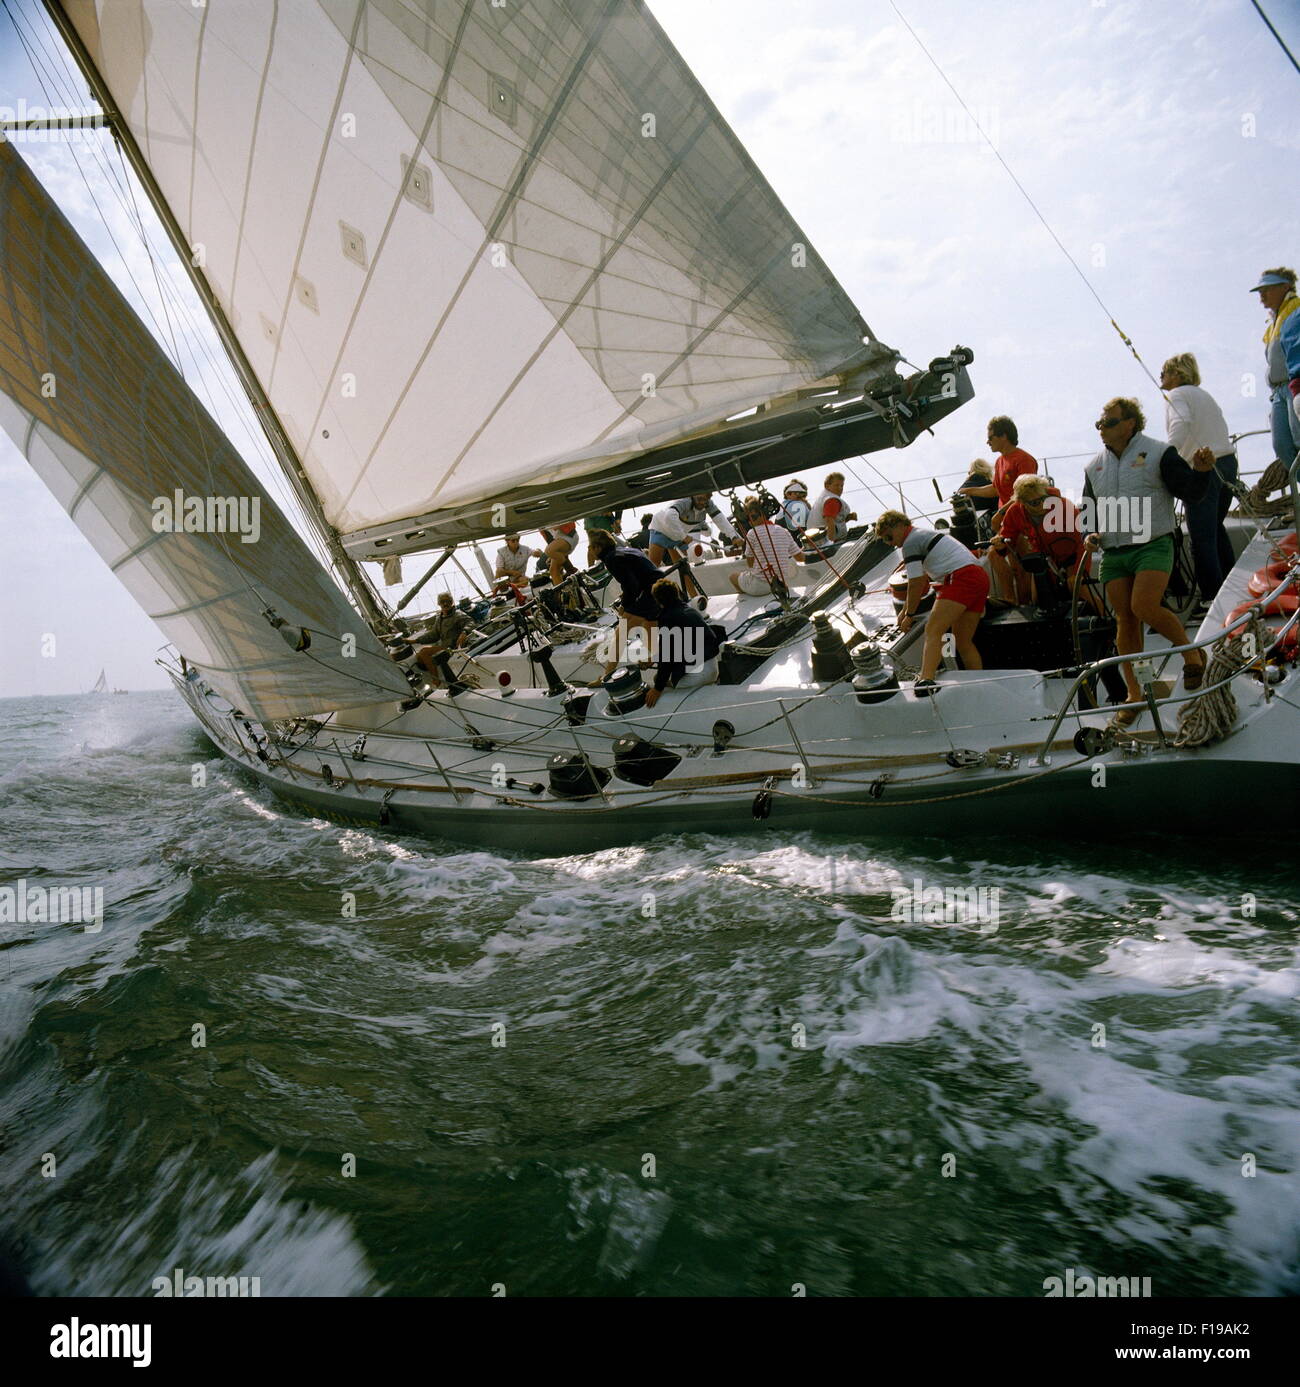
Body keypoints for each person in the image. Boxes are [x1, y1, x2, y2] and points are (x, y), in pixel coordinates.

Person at [1082, 397, 1215, 725]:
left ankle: (1191, 654)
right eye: (1100, 423)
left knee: (1144, 606)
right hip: (1113, 551)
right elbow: (1089, 508)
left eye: (1110, 422)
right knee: (1124, 621)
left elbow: (1192, 493)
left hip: (1153, 544)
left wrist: (1201, 472)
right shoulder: (1093, 466)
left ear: (1130, 423)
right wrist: (1090, 532)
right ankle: (1134, 695)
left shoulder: (1159, 452)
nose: (1103, 428)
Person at [875, 509, 987, 694]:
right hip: (978, 577)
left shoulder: (910, 542)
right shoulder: (923, 534)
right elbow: (923, 578)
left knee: (933, 630)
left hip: (960, 578)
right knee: (962, 641)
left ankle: (926, 681)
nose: (891, 544)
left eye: (889, 537)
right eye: (886, 541)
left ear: (900, 525)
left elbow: (916, 582)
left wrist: (909, 615)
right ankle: (979, 683)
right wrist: (905, 612)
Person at [1159, 352, 1238, 599]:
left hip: (1205, 467)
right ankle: (1232, 591)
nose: (1161, 376)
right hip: (1227, 464)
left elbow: (1181, 424)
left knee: (1202, 538)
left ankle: (1212, 598)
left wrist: (1168, 456)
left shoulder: (1177, 395)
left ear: (1176, 374)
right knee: (1215, 528)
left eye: (1164, 372)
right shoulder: (1205, 396)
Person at [995, 473, 1096, 610]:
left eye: (1044, 498)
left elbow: (1082, 544)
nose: (1042, 504)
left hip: (1071, 558)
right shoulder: (1015, 512)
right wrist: (1000, 545)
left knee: (1081, 591)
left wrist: (1079, 573)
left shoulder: (1065, 507)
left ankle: (1109, 623)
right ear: (1022, 502)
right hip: (1044, 562)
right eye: (1035, 502)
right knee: (1038, 601)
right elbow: (1007, 538)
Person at [587, 529, 661, 675]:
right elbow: (636, 578)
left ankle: (606, 676)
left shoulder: (611, 558)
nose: (589, 550)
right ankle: (658, 662)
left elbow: (631, 585)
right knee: (648, 625)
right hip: (659, 589)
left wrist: (624, 605)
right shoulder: (624, 551)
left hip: (649, 593)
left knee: (620, 633)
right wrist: (626, 598)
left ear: (598, 547)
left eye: (590, 547)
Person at [643, 578, 723, 706]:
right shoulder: (689, 611)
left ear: (657, 601)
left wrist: (657, 689)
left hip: (699, 676)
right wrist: (654, 658)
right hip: (713, 669)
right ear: (677, 593)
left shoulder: (667, 619)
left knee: (657, 679)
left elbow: (667, 658)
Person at [1253, 268, 1300, 467]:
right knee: (1281, 446)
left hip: (1293, 384)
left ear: (1285, 286)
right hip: (1278, 391)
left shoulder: (1296, 309)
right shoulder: (1273, 322)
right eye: (1260, 292)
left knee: (1298, 440)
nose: (1262, 296)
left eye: (1267, 289)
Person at [730, 498, 804, 596]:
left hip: (759, 587)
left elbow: (750, 564)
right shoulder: (783, 530)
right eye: (748, 518)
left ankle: (747, 600)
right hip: (780, 585)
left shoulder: (752, 533)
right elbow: (800, 558)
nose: (750, 521)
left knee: (732, 577)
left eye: (752, 517)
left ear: (763, 515)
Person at [647, 494, 739, 565]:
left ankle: (690, 590)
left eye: (705, 499)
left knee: (684, 568)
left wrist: (734, 537)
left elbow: (720, 519)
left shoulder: (709, 504)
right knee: (654, 566)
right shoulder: (685, 501)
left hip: (678, 536)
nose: (702, 502)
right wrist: (683, 536)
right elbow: (669, 516)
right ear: (693, 496)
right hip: (661, 529)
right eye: (699, 499)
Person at [411, 591, 474, 683]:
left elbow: (471, 622)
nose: (445, 603)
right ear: (439, 603)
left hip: (453, 647)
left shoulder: (457, 614)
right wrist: (414, 641)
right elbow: (434, 635)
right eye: (442, 601)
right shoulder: (440, 618)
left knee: (424, 652)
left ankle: (436, 681)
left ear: (452, 601)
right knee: (419, 656)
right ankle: (440, 677)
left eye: (448, 601)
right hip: (445, 646)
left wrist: (464, 633)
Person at [810, 472, 857, 542]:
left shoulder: (823, 498)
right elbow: (829, 521)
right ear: (827, 486)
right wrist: (830, 543)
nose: (840, 488)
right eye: (836, 485)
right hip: (830, 543)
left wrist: (848, 518)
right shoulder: (832, 500)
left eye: (842, 486)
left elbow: (831, 522)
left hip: (815, 541)